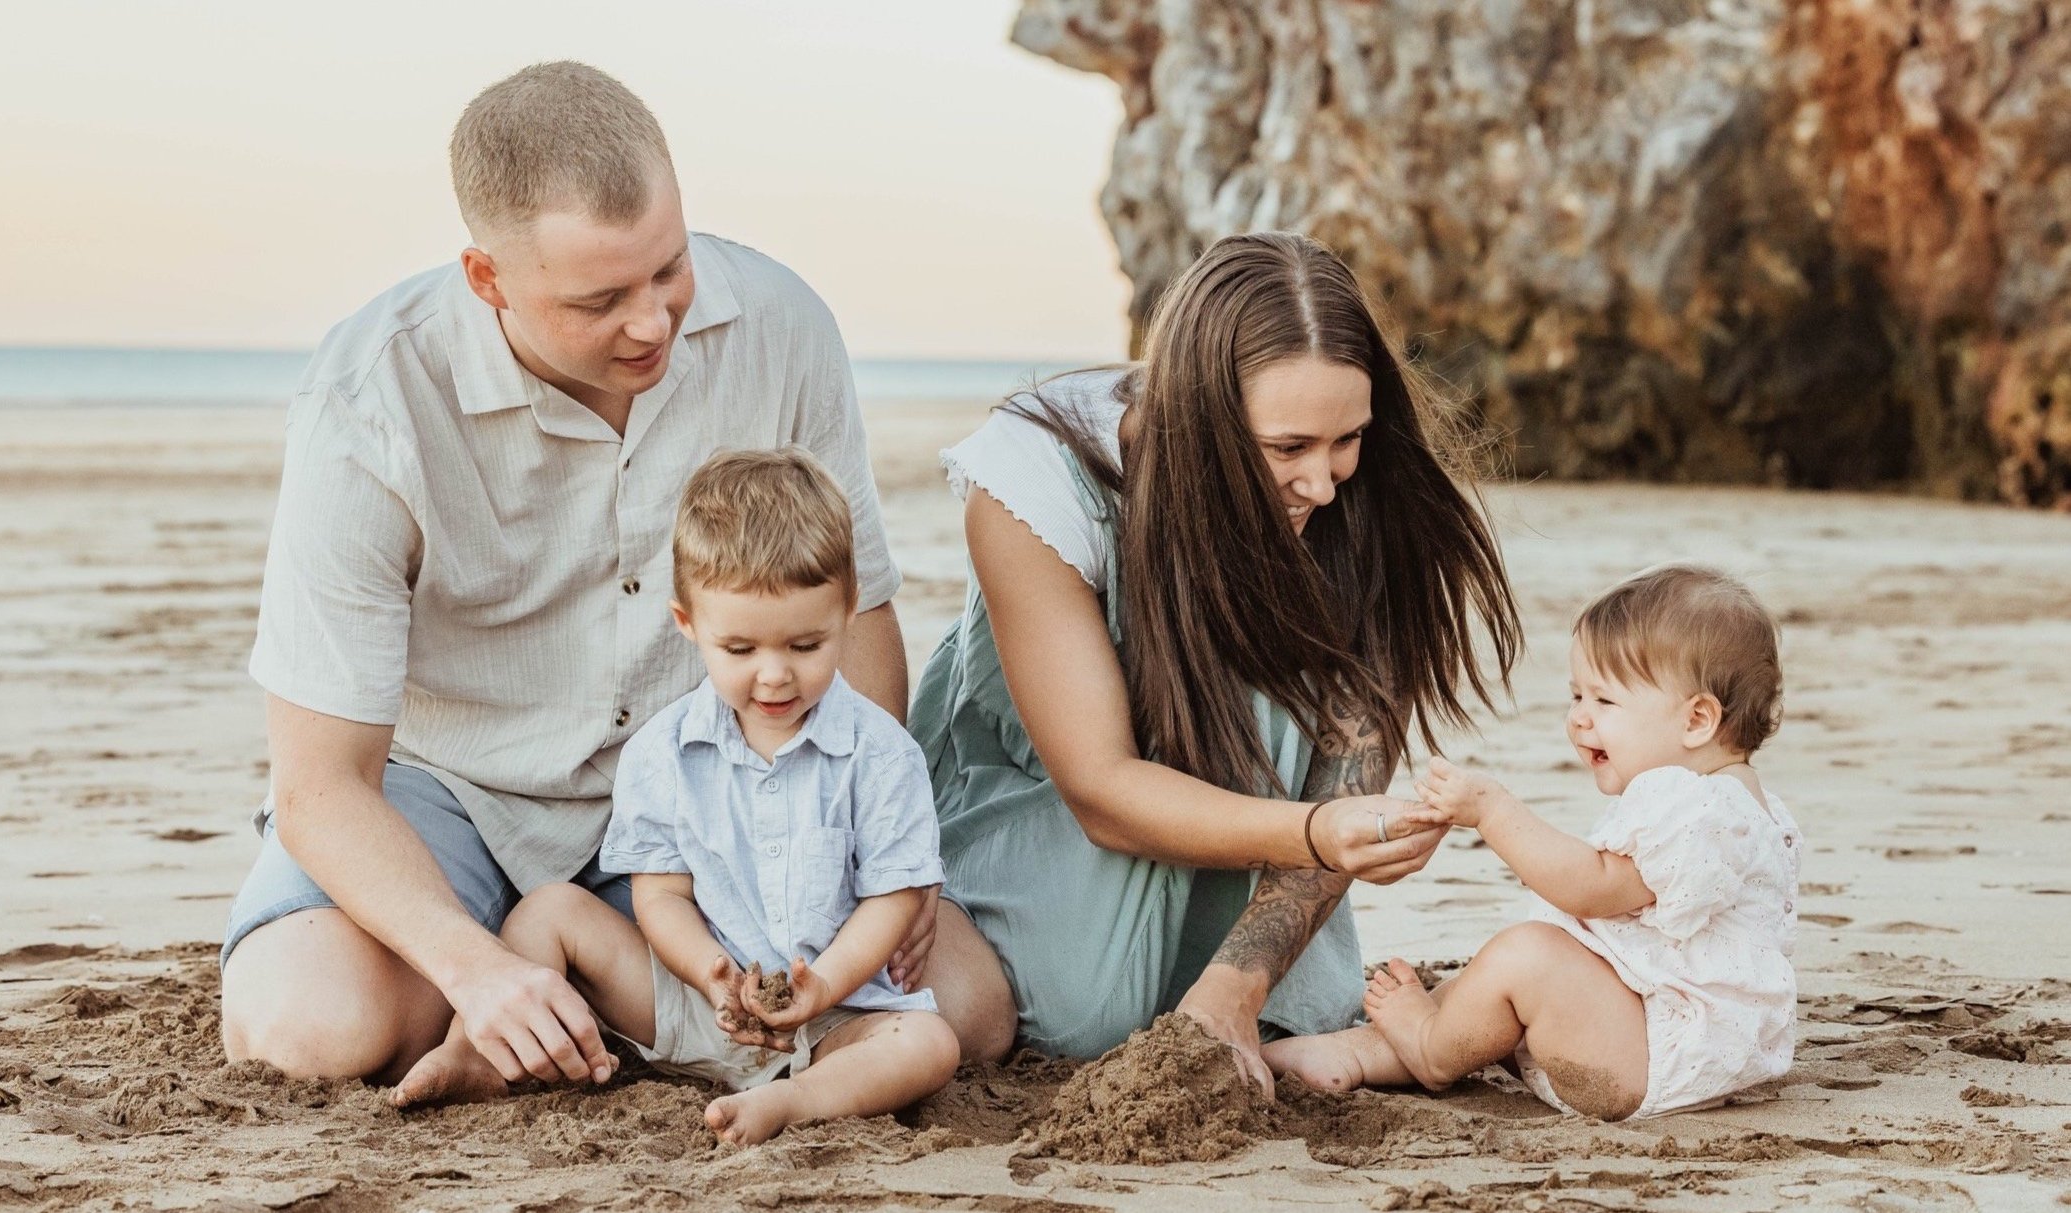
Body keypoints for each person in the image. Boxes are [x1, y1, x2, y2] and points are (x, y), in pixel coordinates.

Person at [218, 61, 949, 1090]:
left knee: (970, 1008)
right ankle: (542, 986)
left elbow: (857, 609)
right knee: (312, 1027)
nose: (653, 322)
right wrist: (480, 973)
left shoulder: (785, 327)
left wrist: (875, 845)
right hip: (452, 796)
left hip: (723, 778)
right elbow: (319, 783)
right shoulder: (367, 400)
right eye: (601, 299)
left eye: (670, 269)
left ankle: (600, 988)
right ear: (487, 280)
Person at [907, 231, 1524, 1092]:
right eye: (1287, 448)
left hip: (1249, 814)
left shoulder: (1359, 493)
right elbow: (1100, 789)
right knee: (1078, 1008)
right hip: (1056, 799)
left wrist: (1235, 986)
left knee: (1282, 1015)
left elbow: (1340, 770)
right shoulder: (1032, 479)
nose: (1321, 482)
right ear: (1199, 422)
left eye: (1345, 438)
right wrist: (1315, 832)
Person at [390, 449, 958, 1143]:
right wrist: (708, 971)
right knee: (551, 911)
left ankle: (794, 1101)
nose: (774, 675)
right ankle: (470, 1052)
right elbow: (659, 896)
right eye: (740, 649)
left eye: (805, 644)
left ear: (846, 611)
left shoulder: (880, 752)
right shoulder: (663, 750)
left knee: (929, 1041)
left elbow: (893, 897)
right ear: (688, 625)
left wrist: (825, 985)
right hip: (696, 1002)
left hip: (837, 1015)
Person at [1267, 565, 1799, 1121]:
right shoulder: (1742, 805)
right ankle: (1355, 1055)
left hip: (1649, 1057)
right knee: (1476, 989)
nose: (1578, 720)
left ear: (1697, 720)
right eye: (1576, 696)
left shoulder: (1699, 808)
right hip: (1671, 1042)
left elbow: (1590, 888)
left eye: (1605, 702)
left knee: (1527, 956)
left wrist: (1492, 811)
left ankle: (1428, 1051)